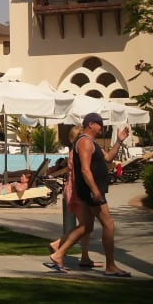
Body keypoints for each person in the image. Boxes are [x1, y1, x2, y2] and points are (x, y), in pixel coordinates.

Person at [46, 113, 130, 276]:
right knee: (108, 224)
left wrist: (119, 141)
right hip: (91, 192)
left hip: (89, 191)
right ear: (91, 124)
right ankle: (110, 266)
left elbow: (108, 158)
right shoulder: (84, 142)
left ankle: (58, 254)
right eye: (100, 124)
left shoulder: (91, 142)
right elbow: (85, 169)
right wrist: (95, 190)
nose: (102, 128)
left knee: (86, 226)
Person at [48, 125, 96, 268]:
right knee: (85, 225)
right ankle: (58, 245)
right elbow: (81, 172)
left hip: (72, 189)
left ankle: (85, 256)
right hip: (77, 190)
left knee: (85, 225)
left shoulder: (73, 151)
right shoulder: (78, 152)